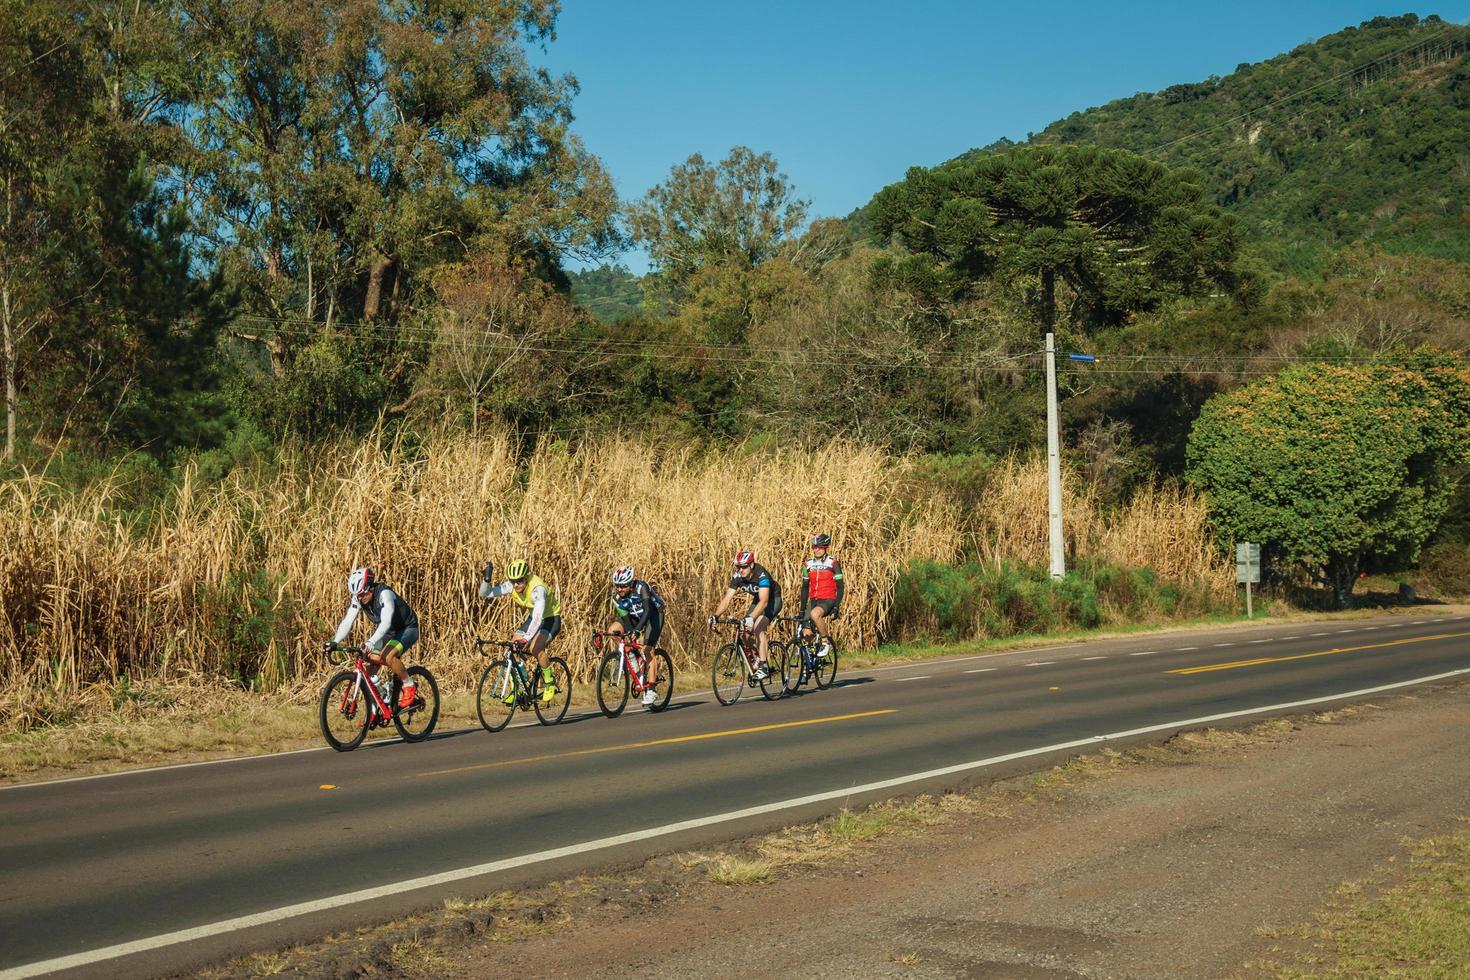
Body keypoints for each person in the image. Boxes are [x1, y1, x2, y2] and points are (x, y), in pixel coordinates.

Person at [324, 567, 419, 710]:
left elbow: (386, 622)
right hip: (387, 632)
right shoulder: (358, 597)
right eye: (358, 596)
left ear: (370, 588)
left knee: (388, 656)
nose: (361, 598)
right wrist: (335, 641)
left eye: (363, 594)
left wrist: (370, 642)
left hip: (407, 628)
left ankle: (408, 684)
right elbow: (348, 620)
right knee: (367, 663)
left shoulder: (384, 594)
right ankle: (379, 703)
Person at [479, 558, 562, 704]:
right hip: (534, 618)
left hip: (550, 618)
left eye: (520, 581)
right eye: (513, 581)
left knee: (535, 648)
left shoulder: (538, 589)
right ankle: (520, 688)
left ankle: (550, 682)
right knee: (513, 648)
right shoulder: (511, 586)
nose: (516, 585)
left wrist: (527, 638)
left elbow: (537, 617)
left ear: (527, 577)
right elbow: (485, 594)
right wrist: (487, 578)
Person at [708, 551, 781, 679]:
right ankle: (759, 654)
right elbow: (727, 599)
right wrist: (716, 616)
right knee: (745, 633)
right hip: (758, 601)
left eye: (744, 567)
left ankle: (763, 666)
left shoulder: (761, 575)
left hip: (772, 600)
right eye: (738, 567)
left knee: (758, 627)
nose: (741, 570)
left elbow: (764, 601)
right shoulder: (738, 577)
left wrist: (752, 618)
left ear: (751, 565)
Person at [608, 564, 666, 706]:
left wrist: (637, 630)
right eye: (617, 586)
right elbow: (626, 618)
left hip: (653, 615)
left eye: (623, 586)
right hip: (633, 616)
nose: (619, 589)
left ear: (631, 583)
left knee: (647, 650)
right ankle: (633, 658)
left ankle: (651, 690)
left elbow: (647, 611)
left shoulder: (641, 588)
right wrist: (629, 634)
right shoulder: (616, 597)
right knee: (613, 631)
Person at [799, 533, 844, 659]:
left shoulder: (833, 563)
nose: (816, 549)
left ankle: (825, 642)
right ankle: (810, 663)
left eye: (819, 547)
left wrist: (836, 607)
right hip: (813, 601)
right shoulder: (807, 564)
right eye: (814, 547)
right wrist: (802, 609)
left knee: (815, 614)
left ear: (825, 547)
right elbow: (804, 588)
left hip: (828, 599)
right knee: (806, 633)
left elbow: (840, 587)